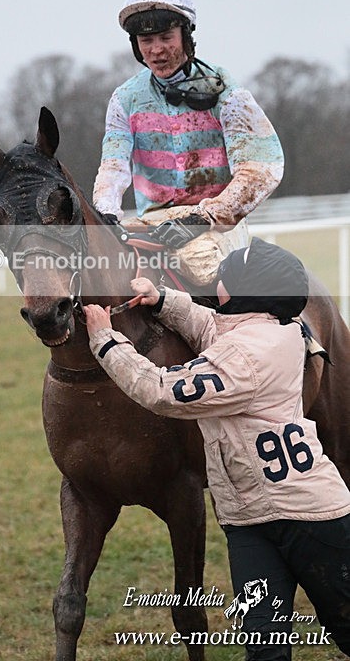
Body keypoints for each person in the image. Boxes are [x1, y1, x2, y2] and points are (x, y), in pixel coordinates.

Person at [84, 238, 350, 660]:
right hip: (249, 523)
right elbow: (209, 324)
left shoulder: (244, 357)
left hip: (310, 520)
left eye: (225, 276)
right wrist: (162, 298)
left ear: (248, 291)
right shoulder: (264, 328)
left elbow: (159, 390)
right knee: (263, 647)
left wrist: (105, 340)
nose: (215, 281)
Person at [93, 0, 285, 288]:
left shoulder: (227, 93)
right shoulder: (124, 99)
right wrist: (107, 213)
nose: (156, 50)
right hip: (151, 222)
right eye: (146, 41)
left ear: (186, 34)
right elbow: (113, 165)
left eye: (166, 37)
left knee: (198, 264)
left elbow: (261, 169)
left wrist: (203, 218)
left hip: (216, 226)